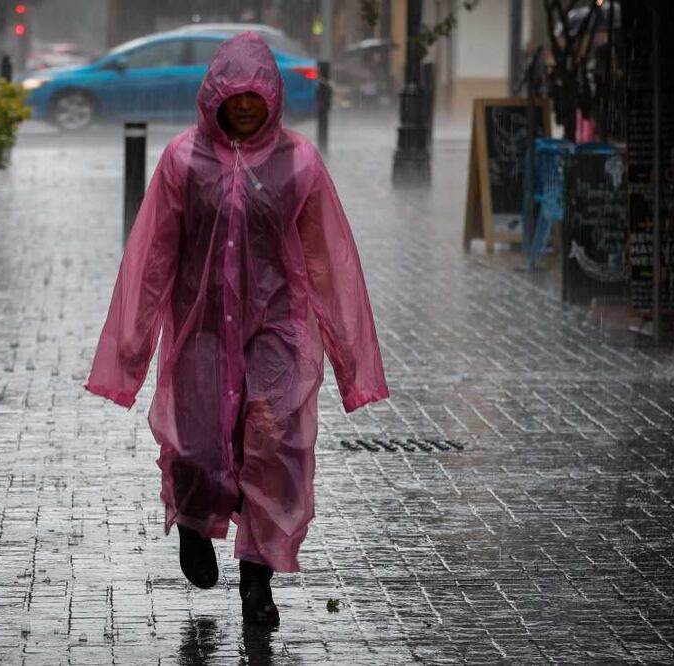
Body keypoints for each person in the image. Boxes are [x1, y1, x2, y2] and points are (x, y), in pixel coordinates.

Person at [85, 32, 389, 626]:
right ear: (215, 97)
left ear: (273, 97)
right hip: (200, 330)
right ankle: (194, 528)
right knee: (197, 449)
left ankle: (259, 582)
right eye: (235, 94)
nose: (245, 105)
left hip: (278, 330)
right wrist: (131, 347)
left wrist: (350, 361)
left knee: (274, 451)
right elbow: (152, 256)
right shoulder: (182, 160)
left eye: (256, 94)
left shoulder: (299, 161)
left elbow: (330, 259)